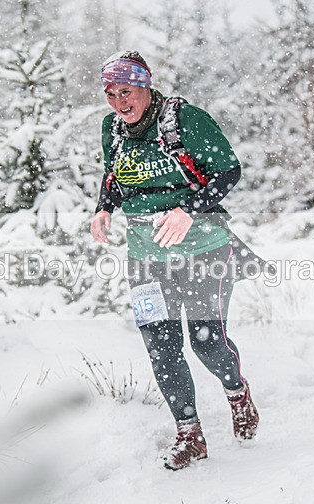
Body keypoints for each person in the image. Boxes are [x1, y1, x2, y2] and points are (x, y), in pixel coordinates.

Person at [90, 51, 259, 470]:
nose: (118, 103)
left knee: (207, 343)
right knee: (162, 350)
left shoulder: (185, 121)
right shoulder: (112, 129)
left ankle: (237, 392)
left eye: (125, 92)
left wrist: (188, 211)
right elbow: (115, 175)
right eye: (110, 94)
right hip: (146, 260)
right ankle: (190, 434)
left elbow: (228, 171)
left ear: (145, 85)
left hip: (205, 252)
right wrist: (104, 207)